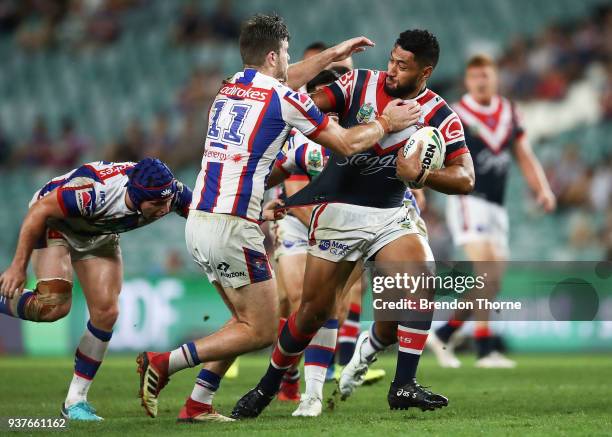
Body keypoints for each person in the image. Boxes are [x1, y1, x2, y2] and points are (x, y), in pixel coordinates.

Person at [135, 13, 421, 423]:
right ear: (273, 55)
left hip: (199, 219)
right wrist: (385, 122)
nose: (290, 59)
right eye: (286, 51)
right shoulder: (286, 99)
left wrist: (329, 56)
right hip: (234, 225)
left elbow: (282, 82)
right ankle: (165, 363)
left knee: (241, 321)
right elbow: (343, 142)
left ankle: (198, 402)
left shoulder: (232, 84)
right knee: (263, 330)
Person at [231, 29, 475, 419]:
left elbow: (466, 177)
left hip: (391, 212)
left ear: (425, 71)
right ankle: (268, 384)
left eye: (403, 66)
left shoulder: (440, 114)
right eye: (392, 60)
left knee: (421, 279)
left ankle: (403, 385)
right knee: (312, 311)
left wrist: (422, 175)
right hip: (339, 212)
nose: (392, 70)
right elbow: (305, 105)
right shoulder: (358, 83)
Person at [0, 158, 192, 421]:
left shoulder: (171, 192)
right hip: (56, 223)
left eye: (167, 202)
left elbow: (204, 216)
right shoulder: (93, 192)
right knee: (51, 306)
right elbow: (39, 213)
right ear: (135, 197)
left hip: (99, 231)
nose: (165, 208)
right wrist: (17, 267)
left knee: (106, 312)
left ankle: (75, 401)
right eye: (157, 204)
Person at [428, 54, 556, 368]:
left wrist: (542, 188)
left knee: (493, 280)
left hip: (497, 206)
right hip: (468, 199)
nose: (481, 81)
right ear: (468, 81)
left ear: (495, 77)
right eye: (475, 77)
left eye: (486, 75)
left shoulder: (509, 112)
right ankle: (485, 349)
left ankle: (444, 333)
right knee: (486, 270)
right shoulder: (456, 114)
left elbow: (524, 154)